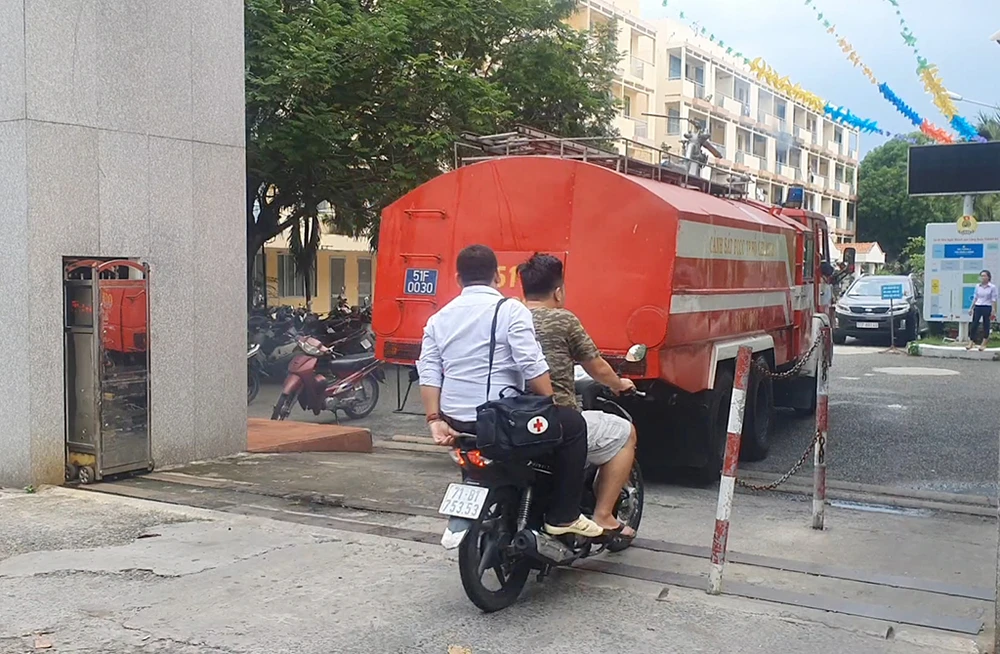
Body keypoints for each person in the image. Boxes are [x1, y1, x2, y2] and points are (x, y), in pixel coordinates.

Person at [416, 245, 603, 538]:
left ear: (458, 278)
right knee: (573, 425)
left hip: (456, 421)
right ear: (497, 277)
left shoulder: (438, 318)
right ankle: (564, 516)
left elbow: (428, 371)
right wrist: (549, 404)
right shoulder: (510, 310)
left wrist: (434, 419)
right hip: (500, 420)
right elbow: (531, 364)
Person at [517, 253, 639, 539]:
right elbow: (596, 367)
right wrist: (619, 383)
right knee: (625, 433)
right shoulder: (563, 320)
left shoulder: (509, 317)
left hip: (512, 415)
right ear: (558, 292)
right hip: (554, 418)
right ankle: (604, 515)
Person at [967, 269, 998, 352]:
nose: (982, 277)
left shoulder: (992, 287)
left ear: (988, 277)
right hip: (978, 306)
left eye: (984, 276)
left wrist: (993, 310)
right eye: (981, 276)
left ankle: (984, 343)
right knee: (974, 324)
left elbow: (994, 299)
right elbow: (975, 297)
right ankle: (971, 342)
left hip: (987, 307)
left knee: (986, 325)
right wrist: (971, 308)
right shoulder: (978, 286)